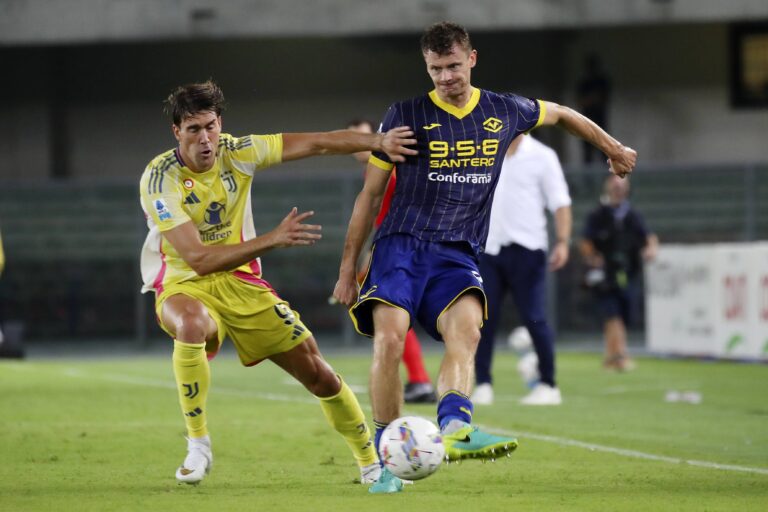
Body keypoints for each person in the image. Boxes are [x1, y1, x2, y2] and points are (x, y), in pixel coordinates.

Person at [333, 21, 636, 493]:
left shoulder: (504, 109)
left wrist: (612, 149)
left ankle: (455, 426)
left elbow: (563, 114)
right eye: (436, 69)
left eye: (453, 65)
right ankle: (387, 460)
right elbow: (370, 197)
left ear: (472, 59)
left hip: (458, 251)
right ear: (426, 67)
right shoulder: (404, 114)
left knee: (469, 329)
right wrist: (348, 268)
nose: (446, 77)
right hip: (401, 245)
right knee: (390, 340)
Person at [139, 80, 417, 486]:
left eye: (211, 126)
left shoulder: (238, 152)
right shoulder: (159, 178)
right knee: (192, 324)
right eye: (194, 129)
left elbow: (317, 143)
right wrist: (272, 239)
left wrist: (379, 141)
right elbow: (197, 260)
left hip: (242, 284)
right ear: (176, 132)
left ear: (221, 124)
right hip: (184, 283)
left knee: (319, 374)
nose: (205, 139)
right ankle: (198, 444)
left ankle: (371, 463)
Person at [471, 133, 572, 407]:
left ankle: (548, 385)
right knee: (481, 320)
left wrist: (562, 241)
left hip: (527, 248)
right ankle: (483, 384)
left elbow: (560, 202)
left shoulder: (542, 156)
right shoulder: (484, 152)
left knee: (535, 317)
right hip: (489, 247)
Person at [347, 118, 437, 404]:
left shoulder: (389, 166)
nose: (357, 144)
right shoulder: (375, 168)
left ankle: (419, 380)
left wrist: (375, 253)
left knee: (389, 310)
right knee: (393, 313)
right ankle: (418, 379)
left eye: (363, 137)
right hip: (396, 244)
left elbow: (399, 209)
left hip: (401, 246)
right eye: (352, 139)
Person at [579, 175, 658, 371]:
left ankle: (610, 357)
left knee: (620, 315)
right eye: (615, 185)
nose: (618, 189)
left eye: (621, 186)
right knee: (612, 313)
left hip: (628, 272)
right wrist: (594, 259)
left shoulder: (632, 215)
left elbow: (648, 237)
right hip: (605, 273)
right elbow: (585, 241)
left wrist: (650, 249)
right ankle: (620, 355)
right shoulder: (598, 214)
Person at [576, 54, 612, 164]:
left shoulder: (602, 81)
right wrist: (591, 99)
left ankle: (606, 179)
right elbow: (580, 101)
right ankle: (588, 181)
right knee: (587, 155)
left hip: (600, 121)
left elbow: (604, 98)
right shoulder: (584, 82)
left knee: (604, 153)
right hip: (586, 122)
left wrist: (593, 99)